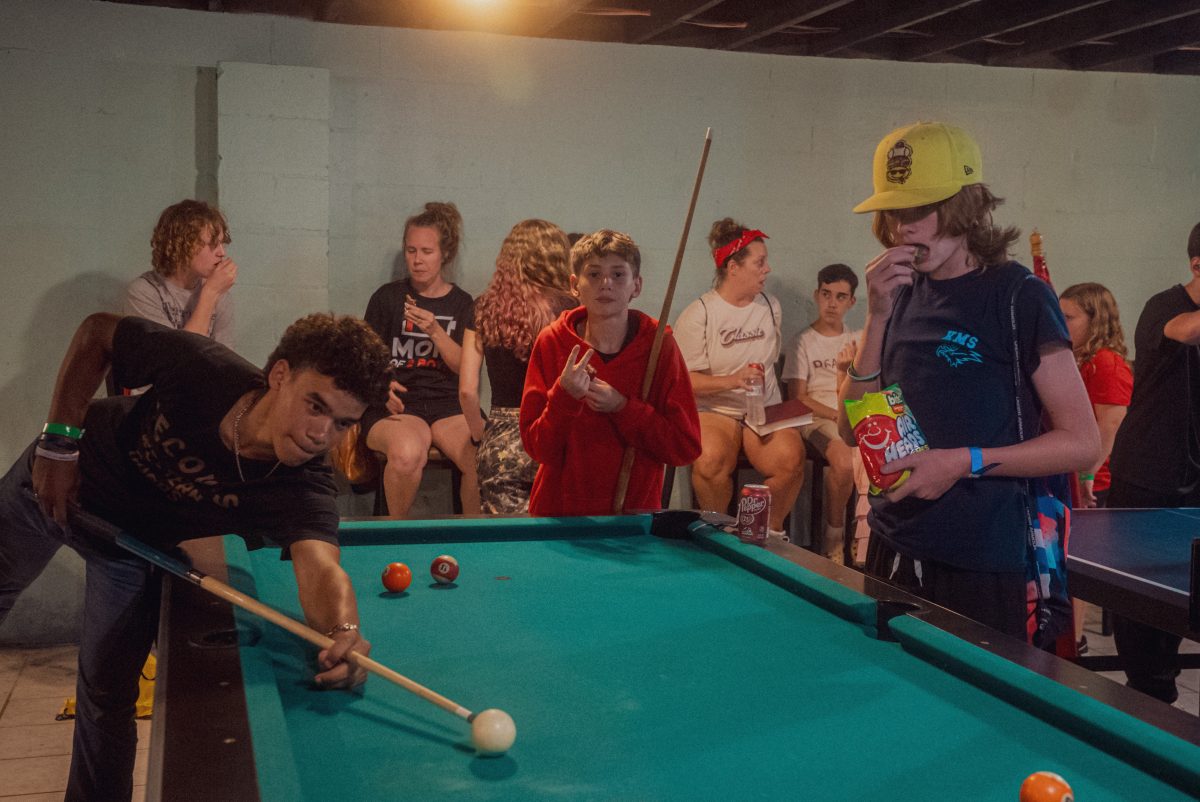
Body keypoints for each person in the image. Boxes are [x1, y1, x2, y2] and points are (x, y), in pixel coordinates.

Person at [0, 312, 390, 801]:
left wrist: (343, 630)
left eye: (342, 424)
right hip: (57, 487)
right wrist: (59, 445)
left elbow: (321, 567)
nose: (321, 435)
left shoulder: (301, 485)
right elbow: (98, 332)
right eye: (316, 405)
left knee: (107, 696)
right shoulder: (204, 369)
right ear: (280, 375)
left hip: (130, 546)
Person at [840, 121, 1099, 640]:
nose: (903, 229)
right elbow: (853, 430)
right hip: (893, 542)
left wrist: (963, 462)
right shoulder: (898, 292)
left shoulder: (1019, 296)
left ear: (965, 206)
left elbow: (1082, 443)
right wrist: (876, 316)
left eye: (919, 210)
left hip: (982, 556)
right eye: (894, 213)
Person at [520, 229, 701, 515]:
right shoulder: (552, 342)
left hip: (632, 520)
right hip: (559, 517)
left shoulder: (659, 345)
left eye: (618, 274)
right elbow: (537, 449)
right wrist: (564, 398)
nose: (606, 284)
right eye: (594, 274)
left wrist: (623, 407)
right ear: (574, 285)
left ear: (636, 286)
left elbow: (684, 447)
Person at [1105, 221, 1200, 704]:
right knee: (1139, 599)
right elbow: (1184, 330)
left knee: (1184, 593)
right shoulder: (1164, 306)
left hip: (1194, 480)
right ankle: (1146, 695)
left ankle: (1159, 685)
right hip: (1146, 475)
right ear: (1197, 264)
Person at [674, 219, 805, 539]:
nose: (767, 269)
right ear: (733, 267)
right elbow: (685, 382)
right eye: (759, 262)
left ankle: (765, 531)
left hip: (764, 405)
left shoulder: (770, 306)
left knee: (790, 459)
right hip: (717, 408)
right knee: (709, 462)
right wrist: (732, 381)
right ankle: (719, 534)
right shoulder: (700, 314)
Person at [363, 202, 480, 516]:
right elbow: (362, 360)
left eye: (427, 251)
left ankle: (474, 535)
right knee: (407, 455)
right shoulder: (387, 298)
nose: (417, 260)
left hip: (448, 405)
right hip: (400, 403)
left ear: (445, 253)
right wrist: (379, 389)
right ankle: (395, 535)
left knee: (482, 458)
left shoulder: (462, 303)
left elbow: (465, 368)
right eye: (411, 250)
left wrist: (435, 331)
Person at [459, 219, 576, 513]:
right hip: (553, 433)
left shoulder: (483, 307)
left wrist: (480, 436)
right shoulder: (572, 310)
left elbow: (467, 391)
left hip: (502, 439)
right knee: (557, 534)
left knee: (505, 536)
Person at [784, 263, 862, 560]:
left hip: (850, 411)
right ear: (817, 295)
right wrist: (835, 414)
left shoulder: (856, 340)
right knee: (843, 461)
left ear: (851, 301)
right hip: (817, 417)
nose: (832, 303)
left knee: (884, 453)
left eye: (840, 297)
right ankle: (834, 536)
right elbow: (798, 397)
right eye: (826, 294)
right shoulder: (802, 341)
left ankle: (866, 534)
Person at [124, 199, 237, 347]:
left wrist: (213, 292)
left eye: (222, 244)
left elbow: (224, 357)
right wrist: (209, 294)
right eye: (212, 244)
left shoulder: (219, 295)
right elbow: (176, 356)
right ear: (183, 245)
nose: (222, 253)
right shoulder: (144, 292)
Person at [1058, 283, 1132, 509]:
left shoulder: (1105, 362)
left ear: (1095, 322)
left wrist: (1087, 474)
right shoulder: (1078, 358)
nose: (1059, 322)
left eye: (1068, 317)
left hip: (1094, 480)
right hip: (1072, 470)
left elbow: (1111, 423)